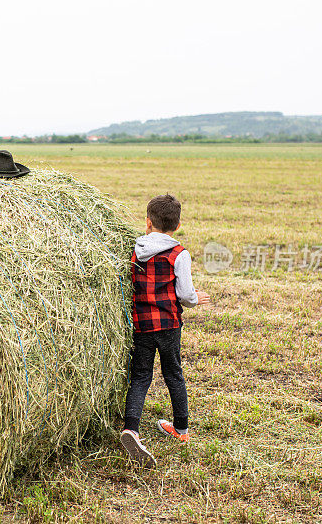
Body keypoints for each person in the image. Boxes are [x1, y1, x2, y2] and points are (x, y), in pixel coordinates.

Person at [120, 194, 210, 467]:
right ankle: (181, 430)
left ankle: (131, 429)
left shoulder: (136, 250)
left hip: (142, 325)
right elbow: (185, 293)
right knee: (173, 373)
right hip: (169, 325)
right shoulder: (179, 253)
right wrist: (195, 298)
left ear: (148, 223)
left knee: (141, 376)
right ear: (178, 225)